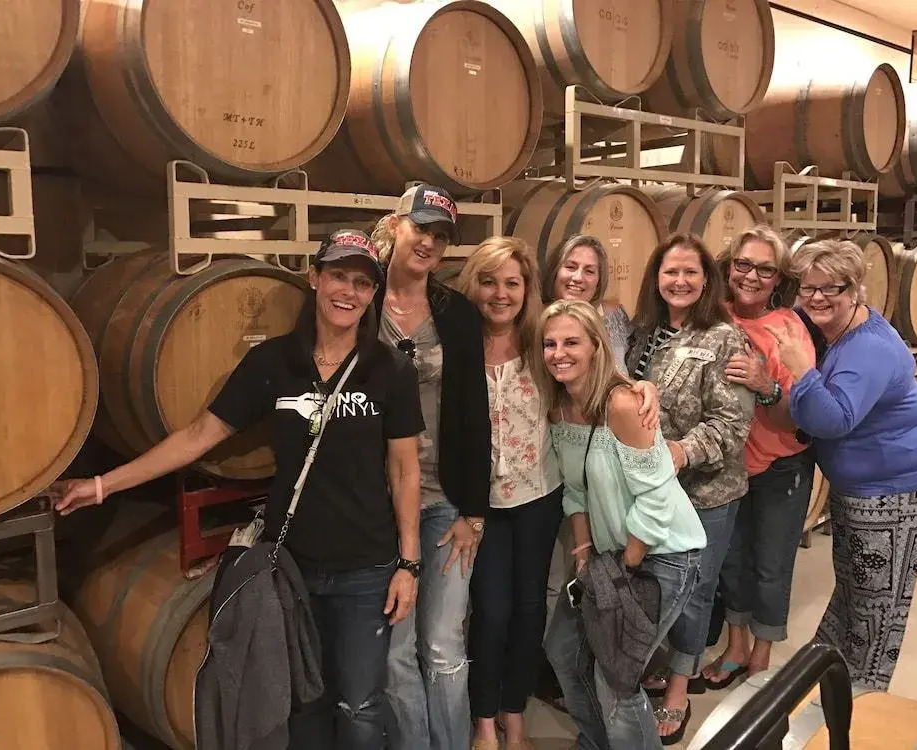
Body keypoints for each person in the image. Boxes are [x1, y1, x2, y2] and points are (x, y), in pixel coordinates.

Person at [55, 230, 424, 750]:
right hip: (291, 565)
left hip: (366, 566)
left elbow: (405, 471)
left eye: (362, 283)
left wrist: (409, 564)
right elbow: (198, 436)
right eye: (339, 276)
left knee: (360, 704)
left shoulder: (390, 370)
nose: (349, 291)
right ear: (314, 278)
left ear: (372, 295)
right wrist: (101, 485)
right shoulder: (273, 363)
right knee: (306, 699)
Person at [768, 238, 917, 691]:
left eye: (832, 288)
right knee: (853, 588)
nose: (818, 298)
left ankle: (864, 698)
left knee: (877, 605)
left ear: (856, 289)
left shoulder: (870, 348)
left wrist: (802, 371)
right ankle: (831, 678)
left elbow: (833, 420)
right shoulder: (833, 328)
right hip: (860, 490)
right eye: (808, 288)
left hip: (892, 492)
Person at [534, 299, 706, 750]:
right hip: (610, 557)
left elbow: (656, 497)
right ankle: (597, 742)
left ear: (596, 345)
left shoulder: (623, 404)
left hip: (662, 554)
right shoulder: (559, 408)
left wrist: (625, 567)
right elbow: (575, 492)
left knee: (617, 677)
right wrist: (584, 556)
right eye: (550, 344)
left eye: (571, 342)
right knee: (563, 650)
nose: (558, 353)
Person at [371, 184, 492, 749]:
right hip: (377, 504)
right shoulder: (359, 299)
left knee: (442, 645)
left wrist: (474, 511)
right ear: (395, 225)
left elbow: (475, 415)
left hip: (444, 500)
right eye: (421, 228)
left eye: (441, 237)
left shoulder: (456, 313)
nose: (429, 243)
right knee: (394, 651)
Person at [625, 233, 754, 743]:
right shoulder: (642, 333)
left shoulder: (724, 338)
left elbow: (731, 422)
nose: (679, 281)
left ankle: (680, 688)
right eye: (670, 271)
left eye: (690, 272)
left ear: (706, 280)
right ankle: (659, 664)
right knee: (653, 586)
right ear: (656, 278)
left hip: (705, 492)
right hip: (648, 491)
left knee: (695, 591)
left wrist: (680, 452)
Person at [456, 237, 564, 750]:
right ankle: (483, 719)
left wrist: (642, 389)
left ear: (527, 289)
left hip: (539, 495)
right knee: (491, 612)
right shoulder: (457, 344)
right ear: (473, 285)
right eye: (489, 282)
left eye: (512, 283)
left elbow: (595, 375)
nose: (501, 294)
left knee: (529, 609)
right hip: (483, 505)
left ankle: (513, 713)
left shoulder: (542, 341)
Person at [701, 226, 817, 689]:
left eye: (765, 270)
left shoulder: (789, 329)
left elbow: (800, 419)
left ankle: (761, 658)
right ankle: (736, 646)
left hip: (780, 466)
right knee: (732, 562)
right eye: (743, 264)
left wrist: (764, 385)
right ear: (728, 267)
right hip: (726, 466)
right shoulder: (713, 316)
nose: (751, 276)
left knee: (771, 565)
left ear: (778, 278)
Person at [541, 234, 633, 373]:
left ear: (599, 280)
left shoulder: (614, 315)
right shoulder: (537, 320)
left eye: (589, 271)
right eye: (571, 267)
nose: (578, 277)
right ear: (555, 271)